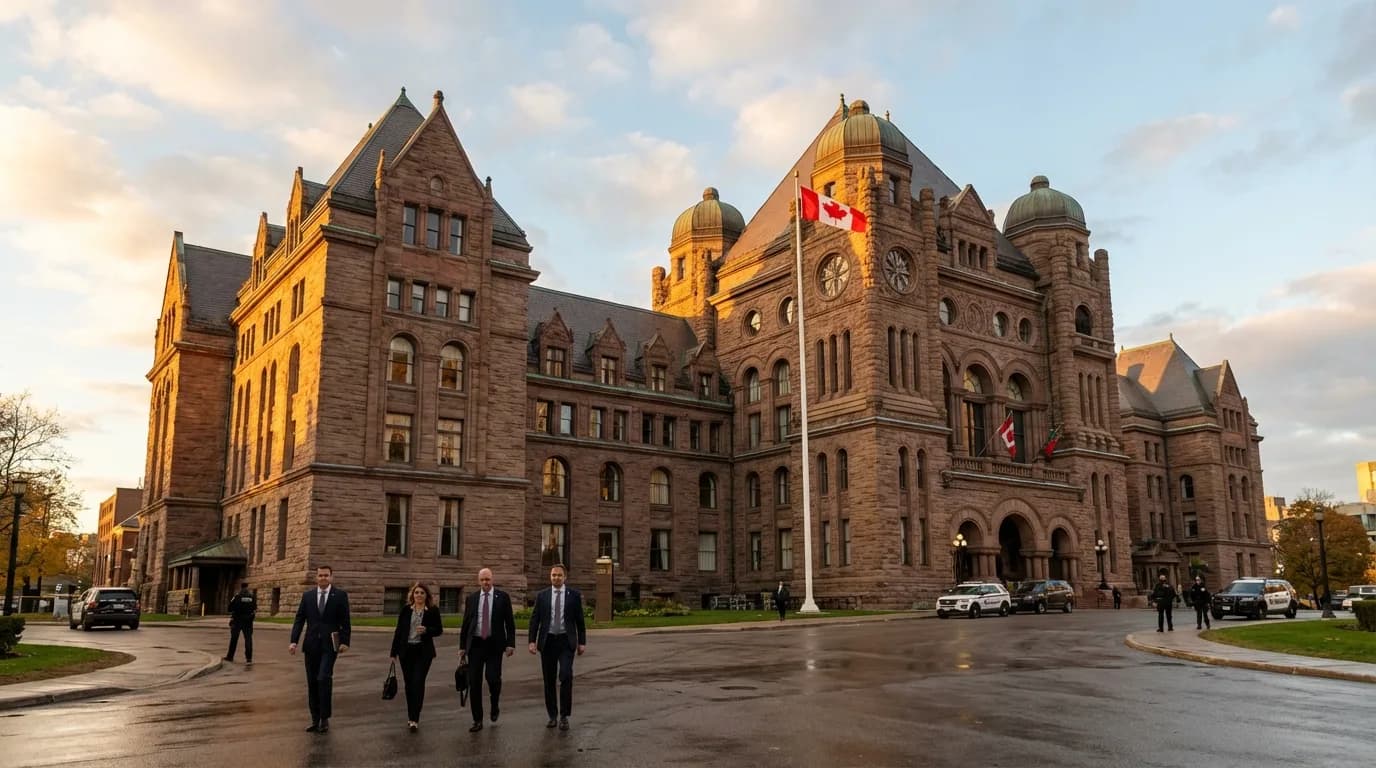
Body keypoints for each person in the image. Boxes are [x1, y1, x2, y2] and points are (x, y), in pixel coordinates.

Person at [290, 565, 352, 734]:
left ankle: (325, 718)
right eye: (320, 575)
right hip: (311, 645)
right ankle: (315, 718)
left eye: (326, 575)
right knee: (312, 682)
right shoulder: (308, 596)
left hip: (329, 645)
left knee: (323, 678)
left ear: (331, 577)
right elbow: (299, 619)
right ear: (316, 577)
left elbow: (345, 620)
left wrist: (345, 641)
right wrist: (293, 641)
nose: (323, 578)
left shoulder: (339, 596)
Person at [527, 564, 587, 731]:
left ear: (565, 577)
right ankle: (552, 715)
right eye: (553, 575)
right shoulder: (542, 596)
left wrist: (582, 642)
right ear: (550, 577)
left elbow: (580, 622)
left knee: (566, 675)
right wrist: (532, 641)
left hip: (566, 642)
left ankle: (564, 716)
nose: (556, 578)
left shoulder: (573, 596)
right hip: (548, 642)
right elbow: (535, 620)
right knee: (549, 679)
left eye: (559, 575)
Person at [458, 567, 515, 732]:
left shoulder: (502, 598)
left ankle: (494, 704)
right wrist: (462, 646)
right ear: (479, 581)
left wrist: (510, 644)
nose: (485, 583)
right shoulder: (472, 598)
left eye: (488, 579)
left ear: (492, 579)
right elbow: (466, 624)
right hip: (475, 645)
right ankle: (477, 720)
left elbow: (509, 623)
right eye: (482, 580)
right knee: (474, 682)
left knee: (493, 678)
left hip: (494, 645)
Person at [390, 582, 443, 732]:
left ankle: (415, 718)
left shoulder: (432, 610)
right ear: (412, 595)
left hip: (423, 652)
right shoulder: (406, 610)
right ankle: (410, 714)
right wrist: (393, 653)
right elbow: (399, 631)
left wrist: (427, 630)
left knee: (418, 682)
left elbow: (439, 630)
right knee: (409, 684)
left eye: (422, 593)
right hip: (406, 651)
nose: (419, 595)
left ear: (427, 596)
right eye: (416, 593)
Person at [225, 581, 256, 665]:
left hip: (237, 620)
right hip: (248, 621)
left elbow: (230, 608)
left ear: (241, 587)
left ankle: (230, 656)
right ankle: (249, 659)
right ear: (247, 587)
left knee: (234, 639)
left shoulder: (237, 596)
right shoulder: (252, 597)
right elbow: (254, 608)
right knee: (248, 639)